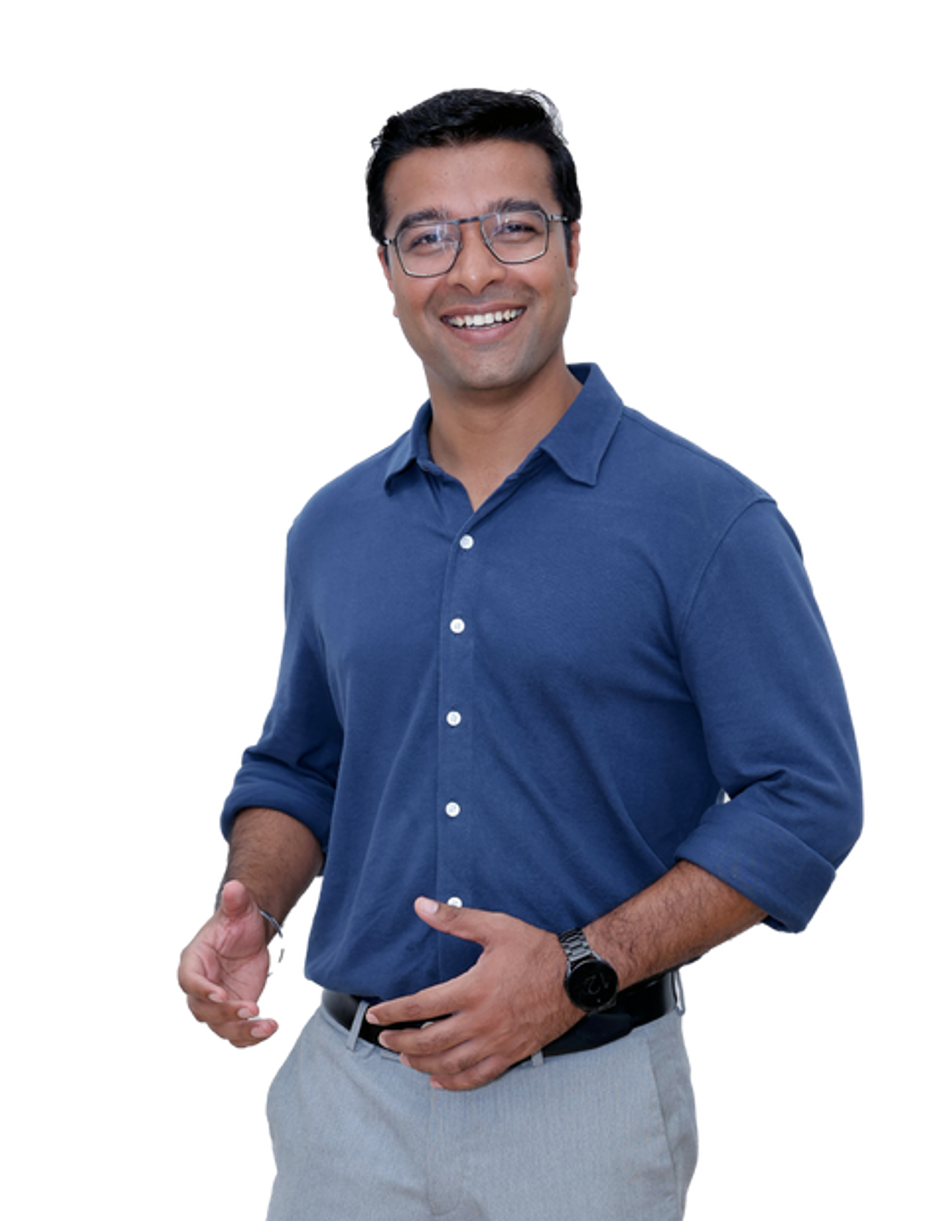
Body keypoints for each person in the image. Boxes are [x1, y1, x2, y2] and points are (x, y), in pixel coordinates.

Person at [175, 85, 865, 1221]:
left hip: (580, 1112)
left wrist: (579, 966)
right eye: (427, 237)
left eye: (513, 226)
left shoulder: (706, 518)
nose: (473, 270)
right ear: (385, 272)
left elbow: (803, 797)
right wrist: (249, 901)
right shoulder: (333, 526)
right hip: (346, 1101)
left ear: (575, 251)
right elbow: (302, 766)